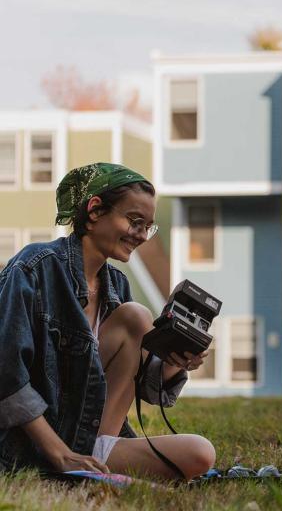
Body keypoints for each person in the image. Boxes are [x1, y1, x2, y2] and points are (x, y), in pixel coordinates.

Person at [0, 162, 216, 480]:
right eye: (134, 221)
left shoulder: (117, 285)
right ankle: (72, 467)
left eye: (149, 226)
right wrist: (59, 453)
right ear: (96, 210)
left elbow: (146, 391)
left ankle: (91, 467)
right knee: (136, 316)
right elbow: (7, 374)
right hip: (27, 443)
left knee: (200, 454)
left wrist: (176, 362)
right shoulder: (33, 268)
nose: (142, 235)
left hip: (87, 438)